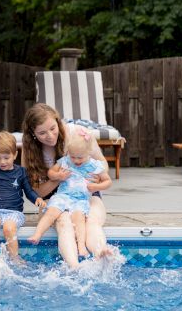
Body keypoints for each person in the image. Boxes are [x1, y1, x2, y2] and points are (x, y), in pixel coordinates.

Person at [21, 103, 112, 268]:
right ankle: (74, 266)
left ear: (58, 122)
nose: (50, 136)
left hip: (85, 194)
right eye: (42, 133)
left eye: (53, 128)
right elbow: (37, 192)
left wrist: (95, 180)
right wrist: (58, 178)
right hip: (54, 198)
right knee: (64, 223)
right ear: (33, 134)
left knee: (91, 219)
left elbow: (102, 163)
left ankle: (100, 252)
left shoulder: (77, 134)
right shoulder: (30, 151)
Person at [0, 131, 46, 262]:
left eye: (6, 157)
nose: (2, 162)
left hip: (14, 212)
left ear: (15, 155)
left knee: (9, 228)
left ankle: (14, 258)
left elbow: (28, 192)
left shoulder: (21, 172)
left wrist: (37, 199)